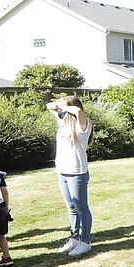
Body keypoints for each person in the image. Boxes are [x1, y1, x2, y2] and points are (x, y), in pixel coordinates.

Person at [46, 96, 94, 256]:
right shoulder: (63, 123)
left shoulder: (83, 125)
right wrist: (60, 105)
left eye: (64, 108)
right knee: (71, 208)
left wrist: (65, 107)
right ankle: (74, 237)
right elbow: (48, 106)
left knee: (81, 209)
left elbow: (78, 110)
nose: (60, 110)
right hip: (62, 171)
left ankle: (85, 241)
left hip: (77, 172)